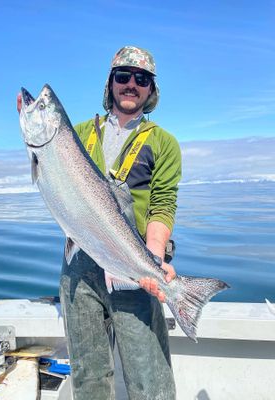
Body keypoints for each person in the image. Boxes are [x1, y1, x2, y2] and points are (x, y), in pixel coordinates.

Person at [18, 45, 181, 400]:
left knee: (148, 375)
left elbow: (163, 204)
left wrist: (152, 260)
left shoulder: (164, 143)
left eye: (141, 79)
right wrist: (32, 123)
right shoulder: (73, 134)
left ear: (151, 90)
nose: (131, 85)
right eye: (123, 76)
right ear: (110, 84)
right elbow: (51, 177)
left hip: (131, 262)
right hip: (79, 268)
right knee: (89, 375)